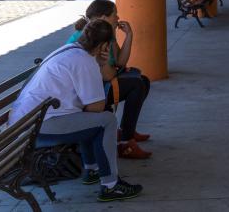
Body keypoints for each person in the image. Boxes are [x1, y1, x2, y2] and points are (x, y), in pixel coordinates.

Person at [9, 19, 143, 202]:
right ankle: (111, 186)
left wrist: (100, 64)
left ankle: (93, 169)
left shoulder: (71, 50)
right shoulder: (84, 61)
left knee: (90, 119)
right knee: (107, 120)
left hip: (29, 119)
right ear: (104, 45)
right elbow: (96, 108)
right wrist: (101, 65)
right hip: (38, 125)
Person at [67, 0, 152, 159]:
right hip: (86, 96)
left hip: (96, 87)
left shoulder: (104, 34)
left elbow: (120, 62)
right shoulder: (89, 37)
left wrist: (129, 35)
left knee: (144, 81)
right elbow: (108, 74)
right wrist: (115, 69)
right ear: (103, 17)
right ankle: (126, 142)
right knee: (137, 85)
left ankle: (127, 130)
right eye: (115, 15)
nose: (118, 18)